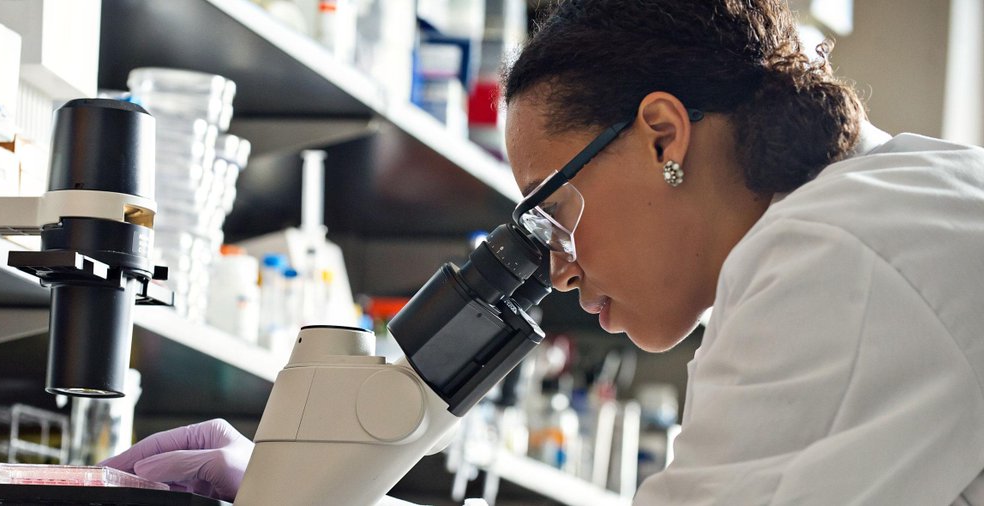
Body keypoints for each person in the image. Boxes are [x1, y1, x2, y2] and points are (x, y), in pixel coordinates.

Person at [104, 0, 984, 503]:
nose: (557, 268)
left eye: (551, 207)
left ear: (662, 137)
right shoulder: (894, 200)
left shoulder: (833, 254)